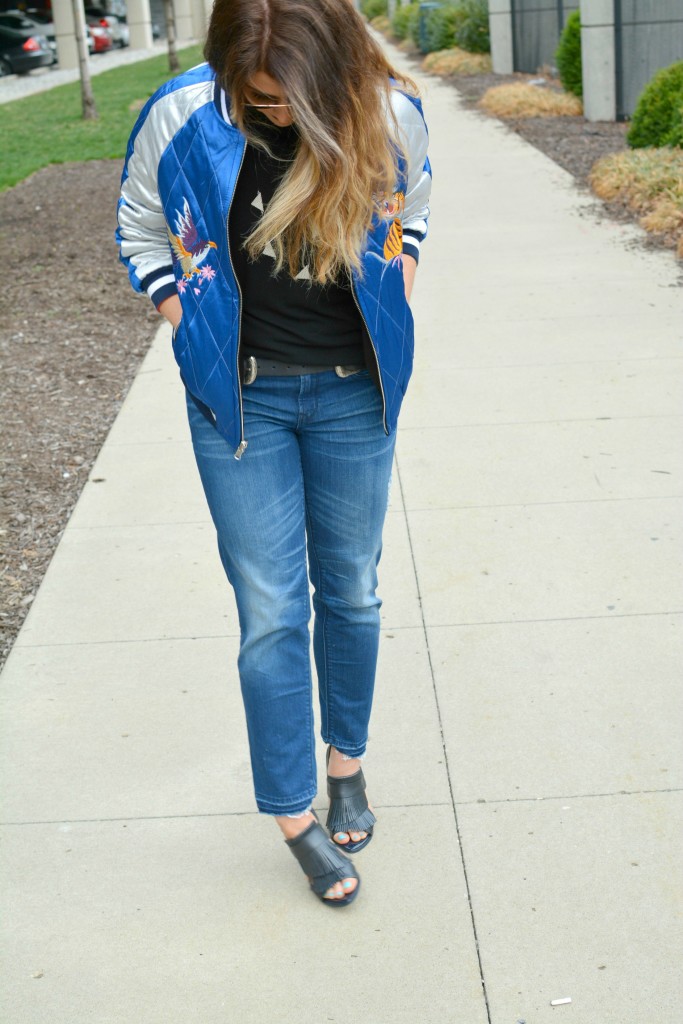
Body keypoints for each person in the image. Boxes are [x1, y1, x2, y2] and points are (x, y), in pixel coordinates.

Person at [116, 0, 431, 907]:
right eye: (258, 98)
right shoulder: (181, 113)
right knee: (270, 611)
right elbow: (139, 225)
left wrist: (398, 289)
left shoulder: (387, 113)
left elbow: (413, 213)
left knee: (354, 591)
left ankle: (347, 765)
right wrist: (185, 326)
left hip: (352, 392)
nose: (277, 115)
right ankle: (295, 815)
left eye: (294, 99)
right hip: (240, 398)